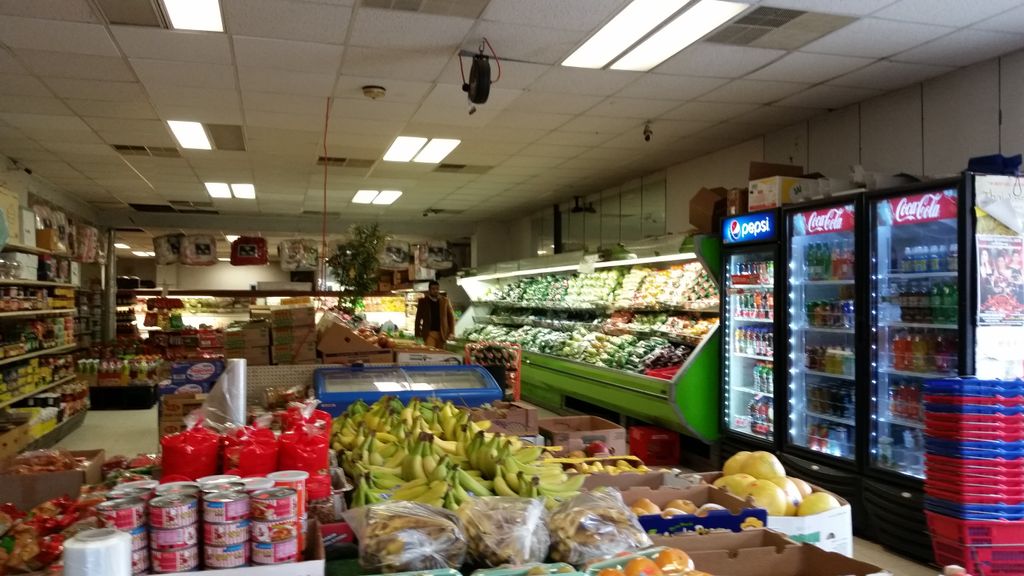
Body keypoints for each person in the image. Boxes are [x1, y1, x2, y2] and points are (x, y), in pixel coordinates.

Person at [415, 280, 455, 349]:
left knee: (441, 355)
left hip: (442, 333)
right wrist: (417, 334)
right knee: (431, 353)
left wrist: (452, 332)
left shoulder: (445, 301)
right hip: (429, 333)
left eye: (437, 289)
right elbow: (418, 319)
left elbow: (451, 317)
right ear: (429, 290)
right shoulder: (423, 302)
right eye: (433, 289)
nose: (435, 291)